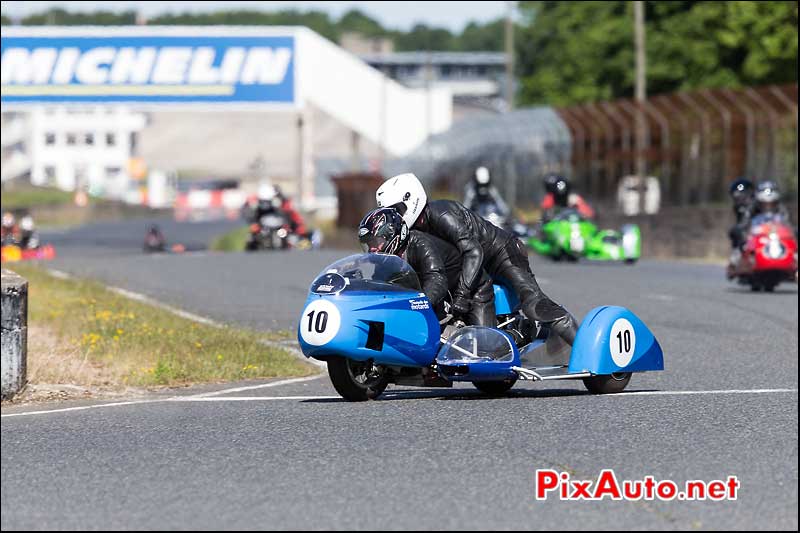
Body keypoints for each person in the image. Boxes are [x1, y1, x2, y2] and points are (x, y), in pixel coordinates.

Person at [376, 173, 578, 345]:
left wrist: (462, 295)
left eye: (396, 210)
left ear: (410, 200)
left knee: (533, 302)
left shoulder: (442, 213)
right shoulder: (413, 231)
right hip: (473, 267)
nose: (396, 217)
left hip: (501, 253)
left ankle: (575, 339)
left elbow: (473, 251)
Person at [358, 207, 496, 327]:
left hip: (473, 290)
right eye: (368, 244)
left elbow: (437, 280)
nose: (372, 249)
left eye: (375, 241)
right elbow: (378, 285)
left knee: (485, 345)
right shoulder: (386, 259)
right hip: (445, 297)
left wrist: (416, 306)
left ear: (391, 234)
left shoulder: (420, 244)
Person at [728, 178, 755, 250]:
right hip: (745, 234)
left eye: (745, 196)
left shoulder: (757, 206)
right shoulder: (738, 208)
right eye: (738, 198)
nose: (742, 200)